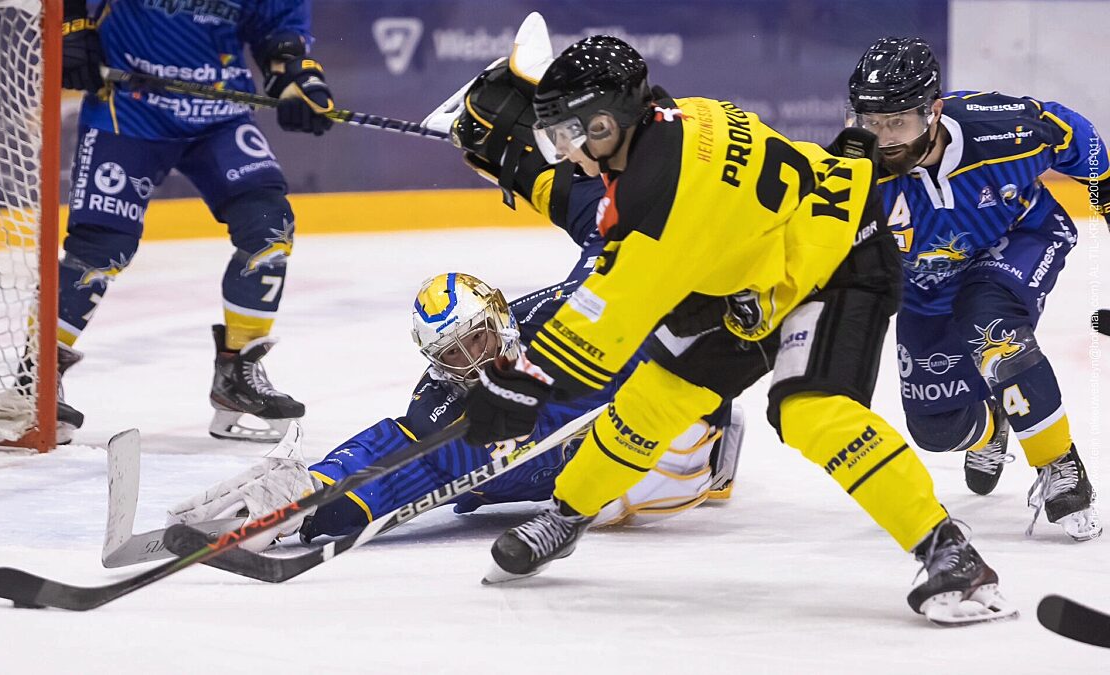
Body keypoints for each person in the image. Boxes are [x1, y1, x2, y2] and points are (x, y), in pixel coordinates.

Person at [458, 35, 1015, 626]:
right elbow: (638, 220)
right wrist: (536, 173)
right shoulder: (672, 118)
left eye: (569, 136)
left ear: (606, 125)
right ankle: (568, 517)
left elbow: (607, 318)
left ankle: (949, 551)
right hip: (754, 271)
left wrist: (524, 378)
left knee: (812, 412)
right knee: (656, 400)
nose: (564, 151)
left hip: (837, 256)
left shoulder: (663, 202)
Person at [166, 270, 744, 549]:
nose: (471, 362)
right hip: (549, 475)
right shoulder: (445, 404)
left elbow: (664, 306)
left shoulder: (570, 316)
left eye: (478, 340)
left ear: (501, 320)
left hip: (656, 435)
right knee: (576, 480)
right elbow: (397, 460)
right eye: (452, 353)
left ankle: (710, 447)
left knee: (645, 479)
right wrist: (316, 497)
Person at [846, 37, 1104, 541]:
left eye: (897, 122)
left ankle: (1058, 465)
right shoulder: (856, 173)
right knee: (936, 429)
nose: (884, 139)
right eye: (870, 123)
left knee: (989, 320)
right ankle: (993, 419)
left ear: (934, 111)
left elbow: (1094, 162)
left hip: (1020, 238)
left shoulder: (1009, 131)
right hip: (925, 283)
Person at [49, 0, 335, 442]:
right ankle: (40, 375)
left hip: (218, 115)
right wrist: (71, 24)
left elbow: (277, 27)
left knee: (269, 228)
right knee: (101, 245)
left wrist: (297, 76)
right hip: (128, 109)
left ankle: (237, 375)